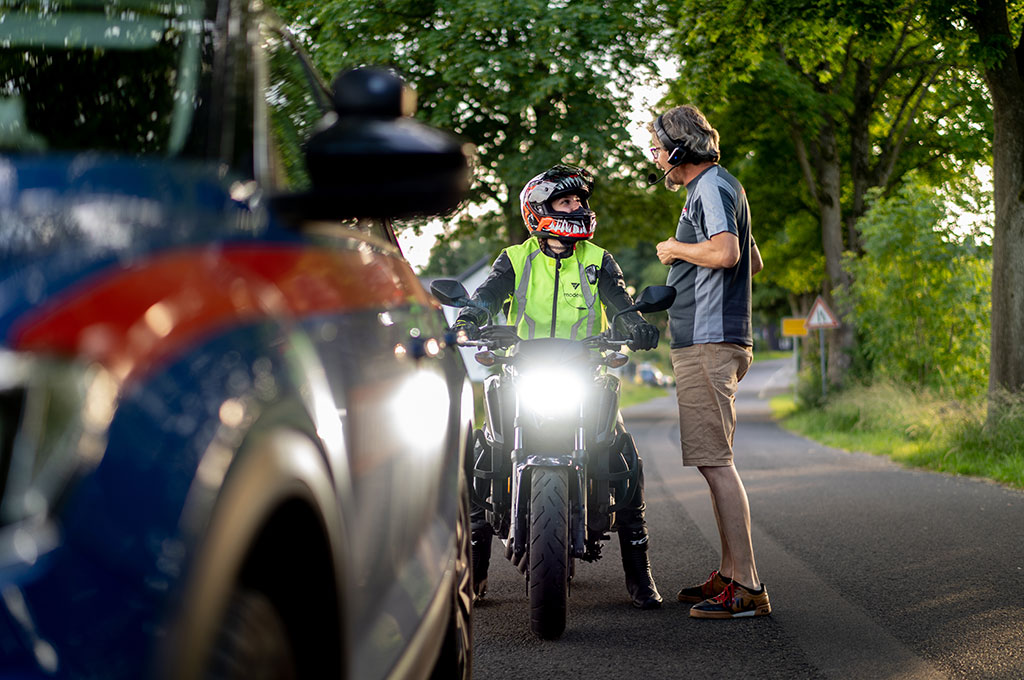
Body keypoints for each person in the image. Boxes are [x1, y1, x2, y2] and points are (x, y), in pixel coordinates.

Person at [453, 164, 664, 610]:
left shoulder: (598, 259)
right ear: (538, 210)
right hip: (522, 368)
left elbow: (620, 302)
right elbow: (488, 295)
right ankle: (476, 570)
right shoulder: (514, 258)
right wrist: (471, 317)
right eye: (566, 202)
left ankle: (639, 572)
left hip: (585, 370)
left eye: (580, 201)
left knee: (622, 452)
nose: (577, 208)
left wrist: (635, 324)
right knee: (481, 452)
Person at [648, 105, 770, 618]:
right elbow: (754, 259)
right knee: (711, 459)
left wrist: (676, 248)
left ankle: (747, 587)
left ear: (679, 149)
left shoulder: (712, 188)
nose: (655, 160)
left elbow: (727, 255)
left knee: (716, 463)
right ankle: (727, 572)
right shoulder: (724, 189)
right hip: (713, 338)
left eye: (657, 149)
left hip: (709, 341)